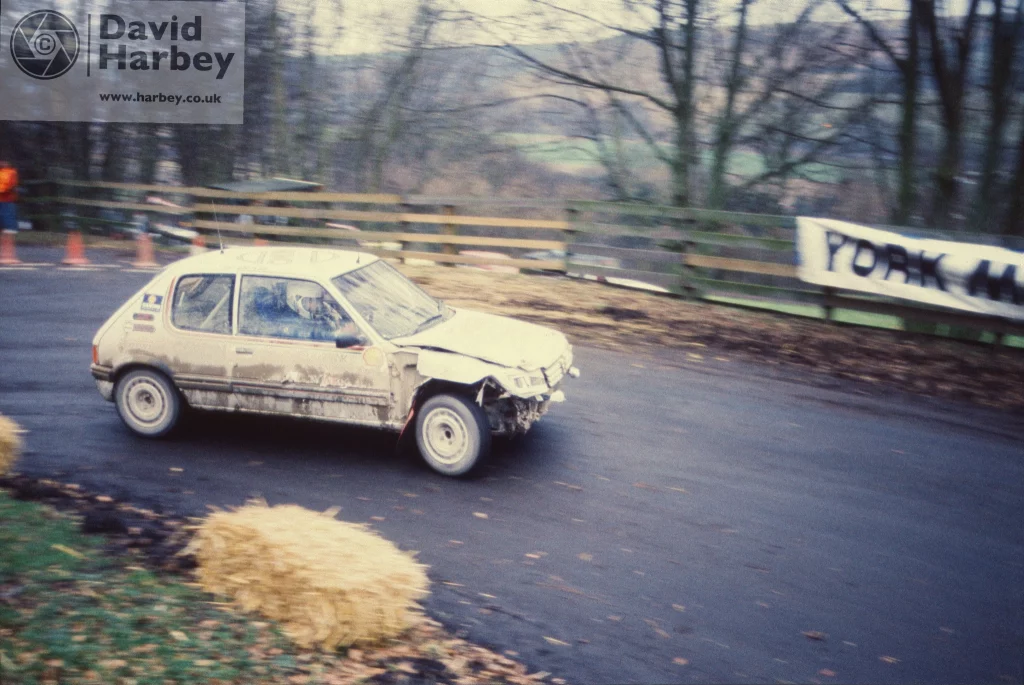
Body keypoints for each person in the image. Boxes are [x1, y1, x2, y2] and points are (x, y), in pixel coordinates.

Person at [0, 160, 18, 231]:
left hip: (7, 200)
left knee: (8, 222)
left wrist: (2, 190)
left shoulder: (11, 173)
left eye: (3, 162)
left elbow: (11, 185)